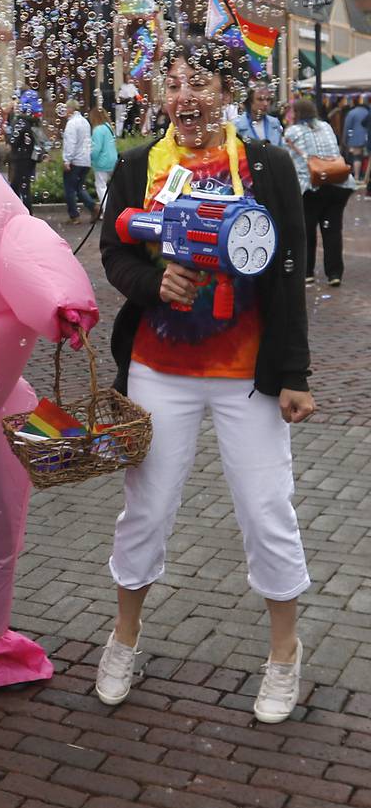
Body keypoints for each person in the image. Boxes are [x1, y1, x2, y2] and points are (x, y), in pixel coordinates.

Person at [99, 37, 315, 724]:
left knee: (266, 506)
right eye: (174, 84)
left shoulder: (268, 167)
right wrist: (154, 281)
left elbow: (290, 269)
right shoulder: (138, 168)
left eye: (200, 84)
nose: (185, 97)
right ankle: (123, 637)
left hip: (246, 375)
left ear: (229, 92)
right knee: (147, 507)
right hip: (160, 369)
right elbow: (114, 253)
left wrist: (294, 372)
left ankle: (285, 652)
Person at [285, 99, 354, 287]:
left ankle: (307, 273)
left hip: (311, 185)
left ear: (296, 113)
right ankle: (334, 273)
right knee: (332, 231)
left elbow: (287, 160)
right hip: (339, 182)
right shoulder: (326, 126)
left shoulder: (292, 132)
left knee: (307, 230)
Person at [9, 90, 46, 213]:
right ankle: (21, 212)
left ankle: (25, 213)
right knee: (21, 186)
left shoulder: (21, 121)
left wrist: (8, 133)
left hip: (21, 158)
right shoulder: (32, 121)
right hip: (29, 158)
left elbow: (13, 141)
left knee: (19, 187)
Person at [62, 99, 96, 224]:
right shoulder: (85, 122)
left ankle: (74, 216)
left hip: (75, 161)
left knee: (69, 188)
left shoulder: (72, 123)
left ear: (70, 109)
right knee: (79, 187)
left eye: (66, 109)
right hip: (85, 160)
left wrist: (67, 160)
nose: (65, 111)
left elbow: (71, 143)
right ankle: (93, 207)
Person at [235, 81, 284, 146]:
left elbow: (281, 151)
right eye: (260, 99)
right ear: (250, 101)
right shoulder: (237, 125)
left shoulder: (275, 123)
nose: (265, 104)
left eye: (268, 99)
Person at [89, 105, 118, 205]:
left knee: (101, 187)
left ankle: (106, 210)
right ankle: (113, 208)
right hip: (113, 160)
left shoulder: (98, 130)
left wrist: (90, 157)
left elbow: (96, 149)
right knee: (111, 188)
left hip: (102, 162)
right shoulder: (109, 127)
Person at [341, 100, 369, 182]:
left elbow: (347, 127)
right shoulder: (368, 111)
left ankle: (356, 177)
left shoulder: (352, 113)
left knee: (357, 157)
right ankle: (365, 177)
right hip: (367, 137)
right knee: (367, 158)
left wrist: (344, 140)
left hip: (356, 138)